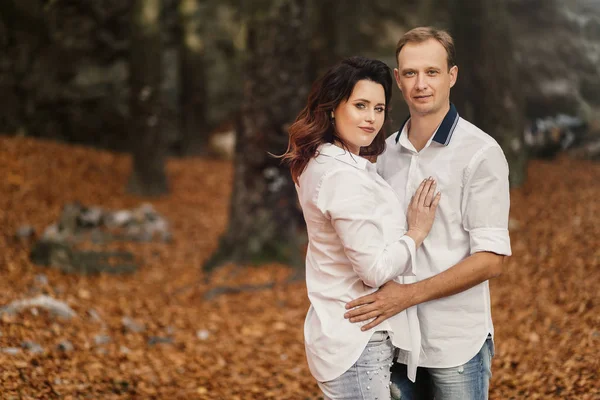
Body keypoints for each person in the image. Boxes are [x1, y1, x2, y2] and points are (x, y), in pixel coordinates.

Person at [343, 27, 512, 400]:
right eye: (410, 73)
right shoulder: (380, 153)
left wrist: (407, 295)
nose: (421, 84)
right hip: (395, 342)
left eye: (432, 72)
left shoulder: (481, 153)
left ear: (452, 76)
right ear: (399, 82)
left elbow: (491, 260)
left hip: (456, 345)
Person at [282, 56, 441, 399]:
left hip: (342, 331)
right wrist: (416, 232)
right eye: (360, 105)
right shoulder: (342, 176)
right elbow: (373, 269)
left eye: (379, 108)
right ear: (332, 109)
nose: (371, 118)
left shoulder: (319, 160)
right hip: (358, 340)